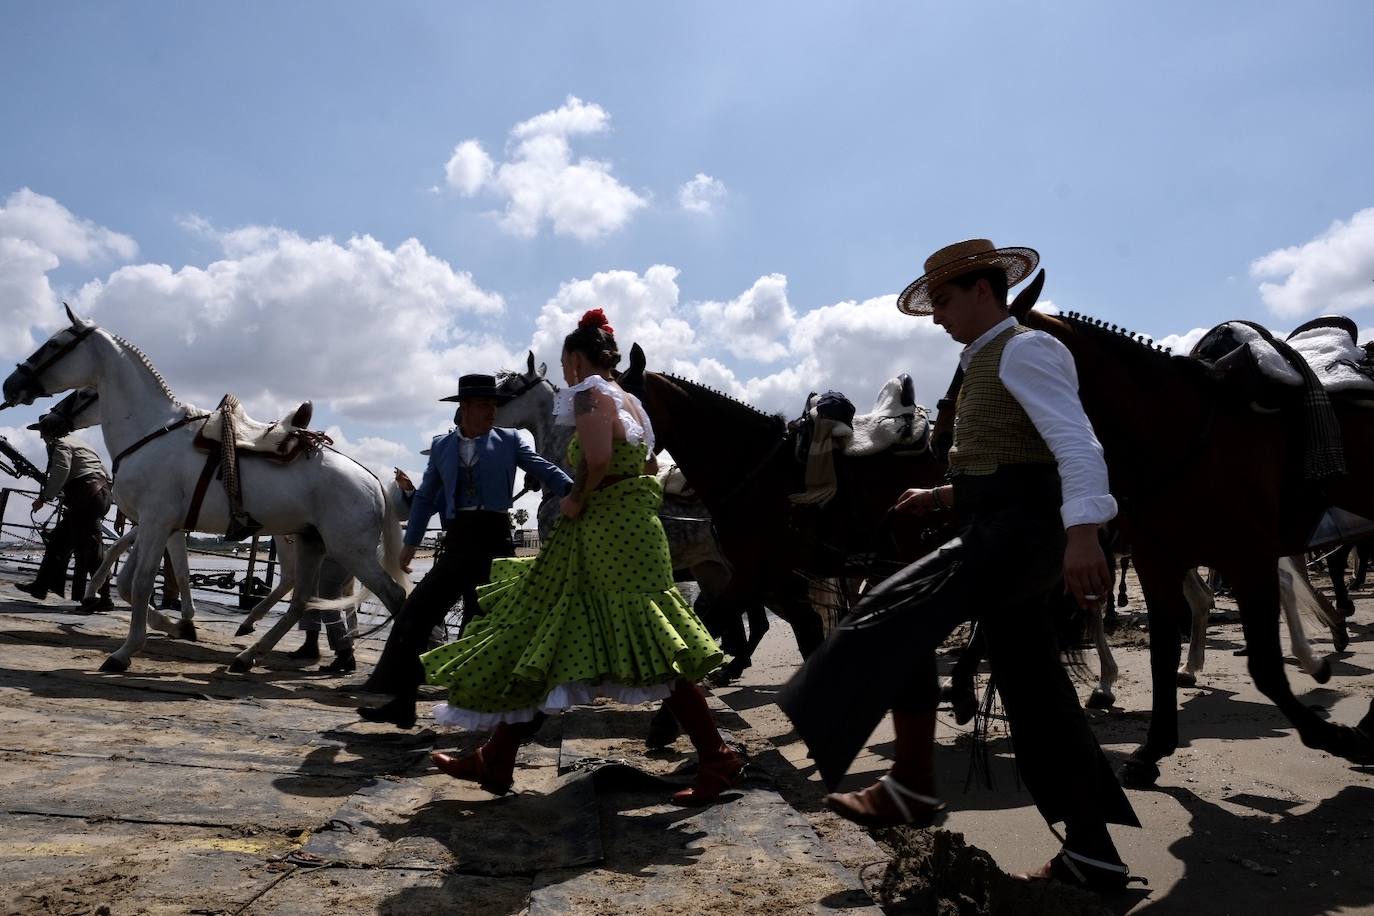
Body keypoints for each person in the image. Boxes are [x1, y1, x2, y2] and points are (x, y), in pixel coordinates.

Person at [778, 240, 1141, 892]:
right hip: (1002, 525)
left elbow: (1076, 446)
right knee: (1037, 696)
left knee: (889, 614)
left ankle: (913, 783)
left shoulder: (1025, 349)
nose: (938, 317)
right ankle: (1093, 853)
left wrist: (1084, 534)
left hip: (1020, 536)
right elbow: (1010, 461)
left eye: (945, 301)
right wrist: (942, 493)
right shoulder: (981, 364)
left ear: (984, 290)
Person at [420, 309, 741, 806]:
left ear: (574, 356)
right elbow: (651, 463)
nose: (564, 370)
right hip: (632, 528)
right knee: (560, 637)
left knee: (634, 641)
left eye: (565, 360)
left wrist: (576, 498)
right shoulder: (631, 401)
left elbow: (596, 461)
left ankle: (717, 757)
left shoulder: (590, 393)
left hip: (606, 530)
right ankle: (496, 756)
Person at [358, 374, 573, 727]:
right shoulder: (442, 446)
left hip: (495, 542)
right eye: (486, 405)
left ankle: (507, 710)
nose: (493, 410)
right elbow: (426, 496)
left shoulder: (509, 441)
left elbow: (545, 470)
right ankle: (402, 702)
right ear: (466, 408)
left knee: (487, 626)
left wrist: (574, 492)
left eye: (494, 404)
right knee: (415, 616)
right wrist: (410, 543)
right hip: (458, 541)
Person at [13, 414, 112, 612]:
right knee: (58, 541)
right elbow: (104, 473)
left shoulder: (61, 445)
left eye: (43, 432)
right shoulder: (80, 443)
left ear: (51, 432)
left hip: (86, 498)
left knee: (92, 551)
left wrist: (44, 498)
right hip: (97, 495)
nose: (41, 437)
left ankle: (105, 598)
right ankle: (41, 586)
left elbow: (61, 471)